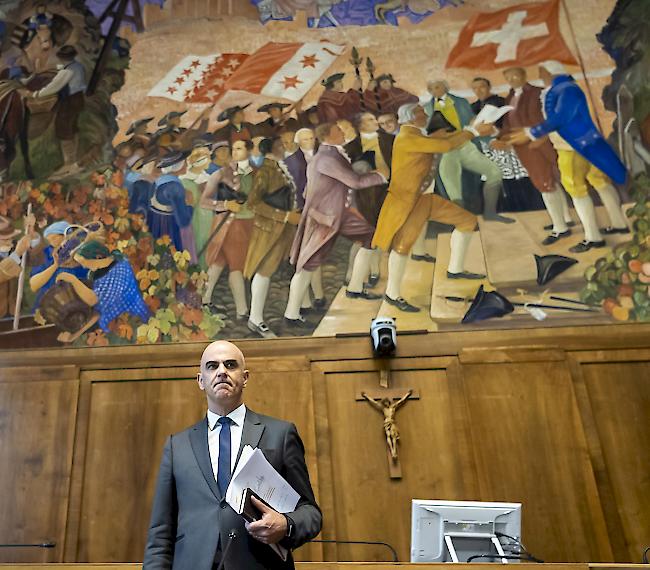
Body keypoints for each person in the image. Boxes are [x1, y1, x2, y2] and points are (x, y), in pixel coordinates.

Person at [143, 340, 322, 570]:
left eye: (230, 365)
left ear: (245, 377)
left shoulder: (281, 434)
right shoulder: (177, 445)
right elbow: (160, 532)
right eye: (212, 366)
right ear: (200, 381)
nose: (221, 372)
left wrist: (286, 524)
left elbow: (311, 513)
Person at [372, 103, 492, 312]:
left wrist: (466, 129)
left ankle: (455, 269)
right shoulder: (408, 137)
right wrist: (472, 131)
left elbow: (440, 140)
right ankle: (392, 294)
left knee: (468, 221)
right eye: (420, 112)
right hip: (411, 201)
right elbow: (444, 146)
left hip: (426, 198)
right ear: (410, 118)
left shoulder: (417, 134)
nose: (425, 114)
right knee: (402, 247)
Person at [507, 61, 630, 252]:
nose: (540, 76)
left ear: (551, 72)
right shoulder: (562, 88)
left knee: (576, 188)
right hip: (585, 142)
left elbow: (560, 118)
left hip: (572, 146)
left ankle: (593, 237)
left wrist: (533, 132)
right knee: (598, 180)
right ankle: (618, 223)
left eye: (542, 72)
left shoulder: (564, 90)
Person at [284, 122, 386, 324]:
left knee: (371, 237)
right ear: (328, 136)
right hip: (325, 219)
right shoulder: (325, 158)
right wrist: (381, 176)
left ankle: (355, 287)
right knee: (308, 264)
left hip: (340, 213)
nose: (342, 132)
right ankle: (291, 314)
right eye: (338, 131)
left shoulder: (333, 153)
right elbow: (354, 182)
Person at [497, 67, 573, 245]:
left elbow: (544, 119)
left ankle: (560, 228)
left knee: (549, 182)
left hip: (541, 143)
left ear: (524, 75)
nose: (512, 79)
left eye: (515, 75)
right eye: (508, 77)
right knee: (546, 182)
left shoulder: (537, 93)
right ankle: (563, 219)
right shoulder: (509, 98)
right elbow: (509, 123)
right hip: (524, 147)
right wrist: (501, 137)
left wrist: (532, 134)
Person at [423, 80, 513, 224]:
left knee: (494, 172)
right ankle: (461, 222)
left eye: (437, 87)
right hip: (445, 150)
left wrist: (489, 139)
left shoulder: (461, 102)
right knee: (452, 188)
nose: (434, 90)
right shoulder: (426, 108)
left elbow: (475, 123)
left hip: (466, 146)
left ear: (446, 87)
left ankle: (490, 213)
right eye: (431, 88)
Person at [244, 137, 301, 338]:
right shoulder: (266, 171)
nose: (283, 147)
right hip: (269, 229)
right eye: (279, 145)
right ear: (271, 148)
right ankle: (256, 319)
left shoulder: (278, 167)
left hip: (282, 228)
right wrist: (284, 216)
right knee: (264, 270)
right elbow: (253, 203)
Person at [200, 139, 256, 319]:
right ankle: (242, 311)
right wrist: (225, 204)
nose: (231, 153)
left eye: (237, 149)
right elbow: (204, 201)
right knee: (236, 267)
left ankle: (204, 300)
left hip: (248, 224)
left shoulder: (255, 173)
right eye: (232, 149)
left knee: (219, 263)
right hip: (230, 225)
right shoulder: (220, 174)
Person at [469, 77, 542, 213]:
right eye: (475, 88)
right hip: (489, 149)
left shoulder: (501, 102)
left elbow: (512, 124)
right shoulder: (473, 107)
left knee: (516, 177)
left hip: (508, 145)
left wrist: (498, 134)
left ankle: (528, 208)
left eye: (482, 87)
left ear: (489, 87)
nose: (479, 90)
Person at [55, 240, 150, 343]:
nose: (84, 266)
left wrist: (72, 279)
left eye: (84, 262)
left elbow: (93, 300)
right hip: (110, 327)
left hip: (132, 325)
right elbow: (98, 312)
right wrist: (73, 336)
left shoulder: (119, 269)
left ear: (98, 257)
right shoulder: (98, 274)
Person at [28, 45, 87, 176]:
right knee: (72, 128)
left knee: (63, 129)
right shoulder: (77, 66)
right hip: (78, 99)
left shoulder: (67, 71)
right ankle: (73, 162)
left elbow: (54, 87)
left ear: (62, 57)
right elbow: (64, 73)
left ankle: (69, 164)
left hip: (69, 101)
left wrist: (35, 94)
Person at [29, 220, 88, 308]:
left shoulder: (80, 252)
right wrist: (55, 266)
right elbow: (34, 285)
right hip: (48, 302)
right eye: (49, 240)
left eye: (54, 238)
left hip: (76, 303)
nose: (52, 242)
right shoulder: (45, 254)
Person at [147, 151, 195, 255]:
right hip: (168, 229)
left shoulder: (158, 181)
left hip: (154, 225)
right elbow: (183, 221)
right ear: (177, 166)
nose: (187, 165)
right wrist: (190, 205)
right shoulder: (175, 187)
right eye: (185, 162)